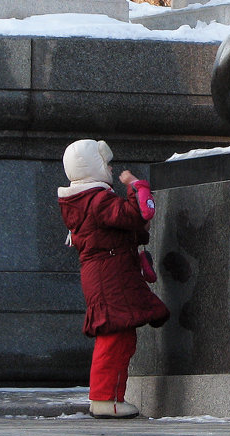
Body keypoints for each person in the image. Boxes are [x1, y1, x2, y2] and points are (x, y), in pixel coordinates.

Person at [58, 139, 169, 419]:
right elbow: (136, 213)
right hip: (111, 278)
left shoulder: (84, 202)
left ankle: (105, 397)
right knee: (116, 339)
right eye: (105, 164)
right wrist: (136, 186)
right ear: (93, 167)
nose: (109, 168)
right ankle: (107, 399)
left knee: (115, 337)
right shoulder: (97, 200)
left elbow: (120, 228)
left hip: (105, 277)